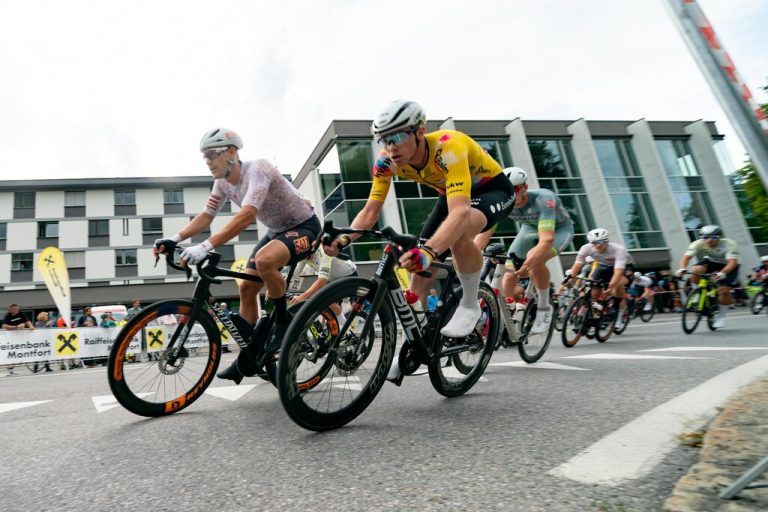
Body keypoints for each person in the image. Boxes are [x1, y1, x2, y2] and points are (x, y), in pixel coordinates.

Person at [323, 100, 515, 384]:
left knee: (456, 233)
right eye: (384, 139)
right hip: (451, 193)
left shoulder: (449, 147)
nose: (391, 147)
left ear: (420, 131)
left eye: (398, 136)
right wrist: (343, 239)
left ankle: (471, 304)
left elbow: (460, 212)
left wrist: (429, 250)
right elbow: (370, 211)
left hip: (491, 190)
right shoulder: (386, 163)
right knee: (418, 278)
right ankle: (415, 346)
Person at [153, 128, 321, 384]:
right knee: (246, 288)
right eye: (204, 157)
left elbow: (247, 215)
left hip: (305, 227)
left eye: (212, 154)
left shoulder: (258, 169)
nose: (208, 161)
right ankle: (250, 355)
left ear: (231, 152)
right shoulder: (221, 183)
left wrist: (205, 246)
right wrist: (175, 238)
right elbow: (206, 216)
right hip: (277, 232)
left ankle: (284, 321)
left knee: (265, 261)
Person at [476, 168, 574, 334]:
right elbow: (484, 235)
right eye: (506, 189)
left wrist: (528, 263)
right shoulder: (503, 202)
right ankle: (513, 312)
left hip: (559, 231)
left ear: (524, 188)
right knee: (508, 275)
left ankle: (544, 307)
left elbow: (546, 239)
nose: (510, 194)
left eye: (514, 189)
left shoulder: (544, 199)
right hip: (529, 229)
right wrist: (473, 255)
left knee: (534, 259)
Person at [567, 228, 634, 330]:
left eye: (602, 242)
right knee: (594, 290)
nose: (598, 245)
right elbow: (578, 264)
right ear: (590, 243)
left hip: (624, 267)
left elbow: (618, 272)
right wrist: (570, 278)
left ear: (607, 241)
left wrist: (610, 287)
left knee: (618, 286)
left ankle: (619, 315)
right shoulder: (586, 248)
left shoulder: (618, 249)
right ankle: (593, 314)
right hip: (604, 266)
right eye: (595, 243)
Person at [675, 225, 740, 329]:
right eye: (705, 237)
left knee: (723, 291)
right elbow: (685, 258)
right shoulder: (697, 244)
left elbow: (732, 263)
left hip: (728, 266)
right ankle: (697, 292)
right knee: (696, 270)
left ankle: (721, 317)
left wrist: (722, 273)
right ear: (701, 238)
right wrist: (682, 269)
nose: (709, 240)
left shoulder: (729, 244)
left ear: (719, 236)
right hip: (710, 262)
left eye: (713, 237)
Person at [3, 304, 34, 376]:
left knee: (17, 353)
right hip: (10, 338)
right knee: (10, 353)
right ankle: (10, 370)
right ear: (10, 309)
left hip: (19, 338)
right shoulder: (8, 316)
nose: (16, 310)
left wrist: (30, 325)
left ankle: (12, 370)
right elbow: (4, 326)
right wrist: (16, 327)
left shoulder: (21, 314)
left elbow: (27, 321)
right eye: (14, 309)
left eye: (17, 309)